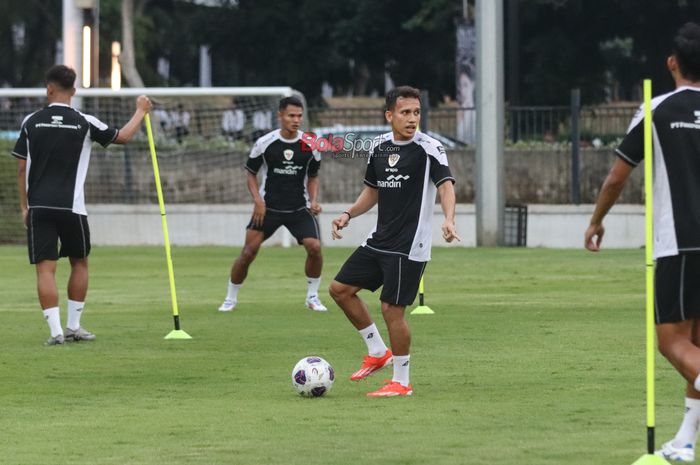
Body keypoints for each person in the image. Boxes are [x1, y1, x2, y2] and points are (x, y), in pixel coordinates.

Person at [584, 22, 700, 462]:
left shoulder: (657, 109)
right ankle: (686, 442)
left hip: (680, 243)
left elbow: (617, 176)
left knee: (672, 344)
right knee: (697, 348)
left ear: (672, 63)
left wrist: (596, 220)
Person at [328, 86, 460, 397]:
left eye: (416, 112)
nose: (412, 119)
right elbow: (372, 192)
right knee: (340, 290)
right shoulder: (379, 148)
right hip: (379, 240)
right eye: (405, 112)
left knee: (391, 308)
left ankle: (402, 381)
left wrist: (449, 219)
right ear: (390, 115)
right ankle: (377, 351)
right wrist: (348, 214)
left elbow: (446, 186)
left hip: (409, 245)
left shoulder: (430, 148)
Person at [11, 64, 152, 345]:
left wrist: (24, 207)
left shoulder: (31, 121)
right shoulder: (85, 121)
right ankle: (73, 325)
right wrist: (141, 111)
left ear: (48, 89)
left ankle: (55, 332)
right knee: (80, 262)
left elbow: (21, 168)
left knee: (45, 269)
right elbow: (122, 137)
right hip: (72, 208)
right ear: (73, 91)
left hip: (39, 207)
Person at [218, 96, 328, 312]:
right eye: (291, 116)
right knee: (248, 252)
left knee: (314, 248)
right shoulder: (265, 143)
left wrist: (313, 200)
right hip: (268, 208)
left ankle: (312, 297)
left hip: (299, 208)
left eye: (299, 116)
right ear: (280, 116)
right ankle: (230, 298)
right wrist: (258, 201)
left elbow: (313, 176)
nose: (296, 120)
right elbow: (250, 174)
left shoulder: (310, 145)